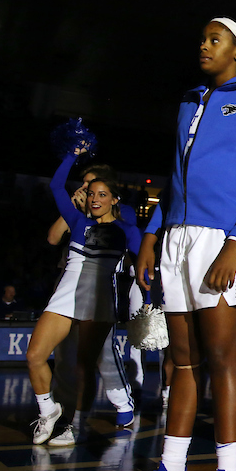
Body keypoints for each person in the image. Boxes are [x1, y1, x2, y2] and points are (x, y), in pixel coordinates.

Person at [110, 17, 236, 471]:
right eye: (202, 39)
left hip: (225, 238)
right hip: (177, 237)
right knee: (181, 362)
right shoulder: (190, 99)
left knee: (222, 357)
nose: (203, 46)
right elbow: (174, 177)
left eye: (215, 40)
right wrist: (149, 238)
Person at [25, 142, 142, 448]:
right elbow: (55, 185)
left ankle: (73, 427)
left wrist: (151, 296)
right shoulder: (77, 220)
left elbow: (144, 263)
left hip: (99, 300)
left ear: (114, 199)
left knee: (84, 367)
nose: (94, 198)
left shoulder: (127, 229)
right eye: (91, 193)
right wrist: (72, 156)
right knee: (35, 354)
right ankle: (48, 411)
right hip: (66, 294)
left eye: (102, 194)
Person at [47, 161, 138, 428]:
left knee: (103, 352)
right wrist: (75, 208)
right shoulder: (76, 211)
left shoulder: (123, 212)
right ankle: (65, 407)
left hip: (101, 286)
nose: (86, 190)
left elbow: (129, 238)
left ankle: (122, 402)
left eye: (92, 186)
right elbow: (53, 238)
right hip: (68, 280)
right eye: (84, 186)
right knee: (64, 352)